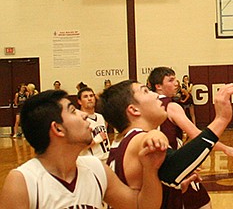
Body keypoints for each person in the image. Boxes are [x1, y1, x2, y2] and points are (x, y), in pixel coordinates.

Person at [0, 89, 165, 209]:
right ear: (58, 129)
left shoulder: (95, 168)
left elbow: (140, 206)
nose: (83, 115)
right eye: (73, 111)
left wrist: (150, 170)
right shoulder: (23, 181)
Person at [100, 80, 233, 209]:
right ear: (134, 110)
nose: (156, 95)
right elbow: (174, 165)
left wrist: (172, 188)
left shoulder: (120, 143)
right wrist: (221, 119)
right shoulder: (138, 138)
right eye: (145, 91)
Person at [147, 67, 233, 208]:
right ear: (158, 86)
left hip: (153, 170)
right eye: (170, 80)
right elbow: (196, 135)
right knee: (204, 204)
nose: (176, 83)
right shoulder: (171, 106)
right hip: (173, 166)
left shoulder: (145, 107)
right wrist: (225, 148)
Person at [77, 86, 110, 160]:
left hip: (106, 157)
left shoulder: (100, 117)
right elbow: (78, 148)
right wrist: (97, 139)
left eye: (91, 96)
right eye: (85, 97)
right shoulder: (79, 120)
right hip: (92, 161)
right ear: (79, 101)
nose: (89, 99)